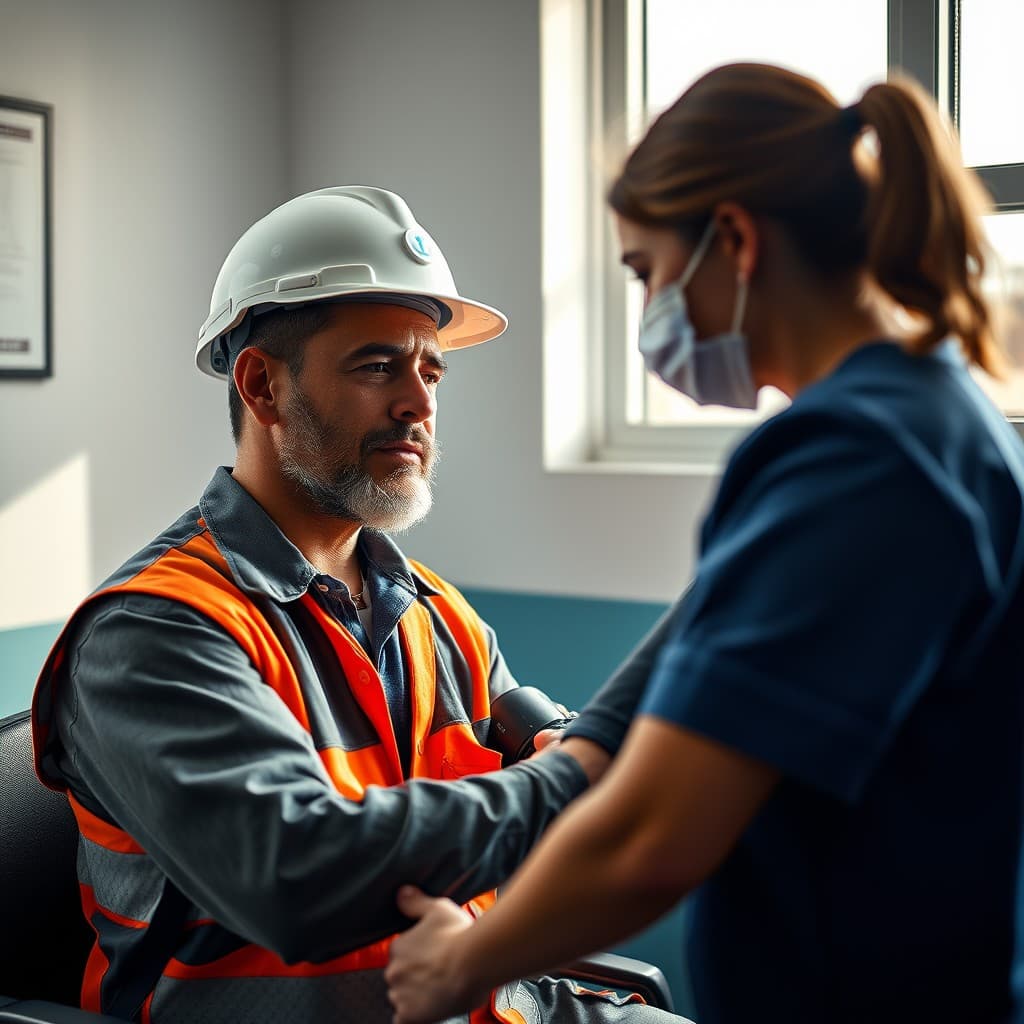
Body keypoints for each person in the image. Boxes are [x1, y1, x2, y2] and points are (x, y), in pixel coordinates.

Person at [384, 64, 1024, 1024]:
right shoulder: (947, 414)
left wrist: (466, 962)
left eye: (645, 271)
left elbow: (653, 836)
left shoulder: (852, 456)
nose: (647, 313)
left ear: (733, 238)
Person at [30, 186, 686, 1024]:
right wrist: (564, 780)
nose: (419, 402)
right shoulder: (155, 631)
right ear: (262, 386)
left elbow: (541, 809)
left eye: (431, 368)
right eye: (379, 366)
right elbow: (299, 875)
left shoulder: (436, 614)